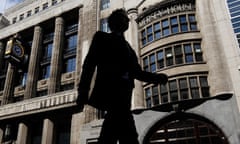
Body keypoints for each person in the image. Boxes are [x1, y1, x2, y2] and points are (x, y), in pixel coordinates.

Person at [77, 8, 168, 144]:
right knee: (126, 135)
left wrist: (157, 78)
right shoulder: (101, 38)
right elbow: (88, 65)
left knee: (112, 134)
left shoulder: (129, 49)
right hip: (112, 95)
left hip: (124, 99)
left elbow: (137, 73)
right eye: (124, 18)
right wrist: (82, 93)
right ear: (115, 21)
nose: (128, 21)